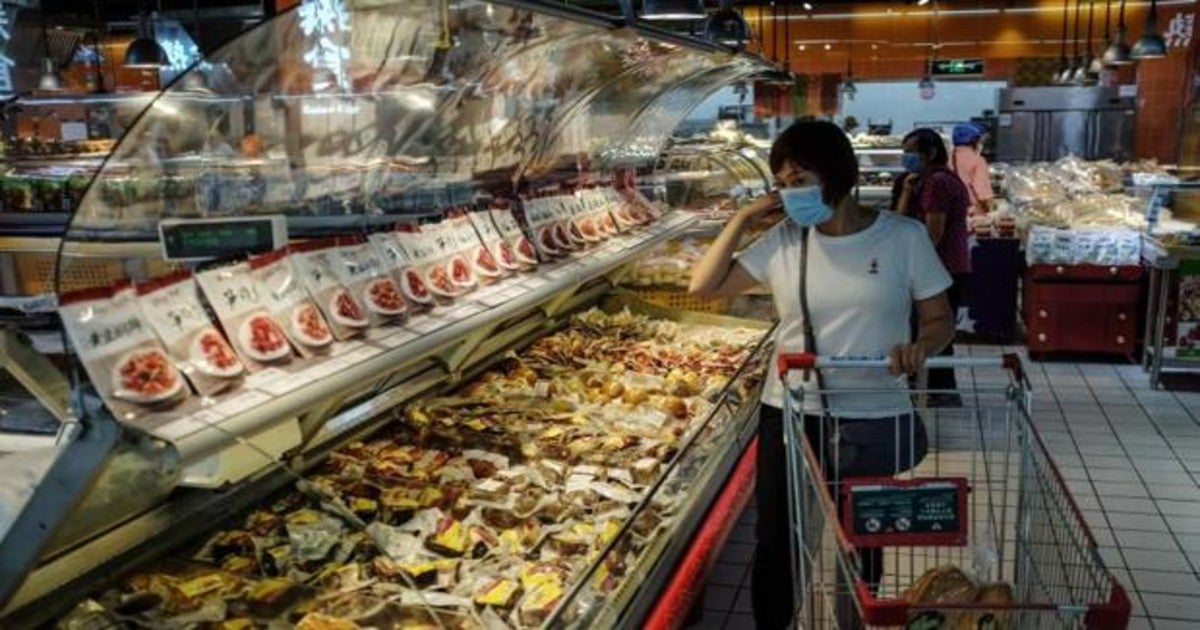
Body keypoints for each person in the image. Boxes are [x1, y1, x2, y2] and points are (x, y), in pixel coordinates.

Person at [690, 120, 955, 629]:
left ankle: (857, 620)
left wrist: (919, 347)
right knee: (777, 539)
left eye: (799, 178)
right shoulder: (784, 241)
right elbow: (706, 286)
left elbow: (940, 319)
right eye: (782, 183)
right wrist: (744, 218)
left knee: (863, 536)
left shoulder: (903, 237)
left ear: (837, 173)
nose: (791, 192)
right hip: (789, 410)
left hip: (874, 412)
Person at [892, 128, 971, 402]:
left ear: (932, 153)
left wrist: (912, 268)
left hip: (942, 268)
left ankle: (941, 392)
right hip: (944, 266)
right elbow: (899, 222)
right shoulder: (920, 181)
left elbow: (933, 234)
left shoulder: (937, 182)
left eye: (911, 151)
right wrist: (905, 192)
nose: (906, 157)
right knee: (927, 329)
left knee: (936, 330)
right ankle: (935, 389)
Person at [949, 122, 994, 216]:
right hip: (972, 214)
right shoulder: (978, 161)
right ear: (974, 140)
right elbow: (983, 196)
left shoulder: (945, 158)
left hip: (950, 213)